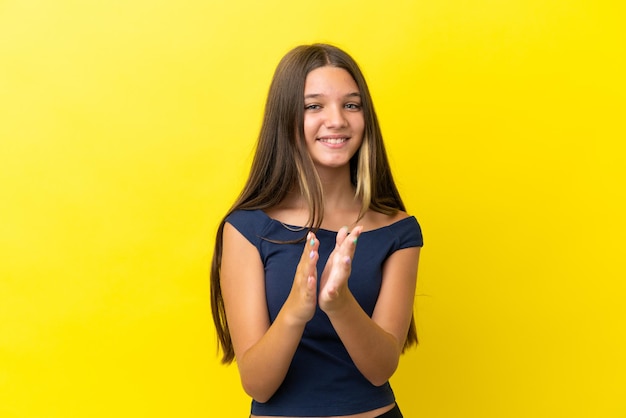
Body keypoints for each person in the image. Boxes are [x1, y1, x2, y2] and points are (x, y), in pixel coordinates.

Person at [210, 43, 423, 418]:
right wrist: (296, 308)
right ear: (286, 118)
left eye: (351, 105)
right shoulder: (246, 229)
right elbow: (258, 385)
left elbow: (380, 369)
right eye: (314, 106)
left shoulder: (398, 230)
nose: (337, 119)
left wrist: (338, 303)